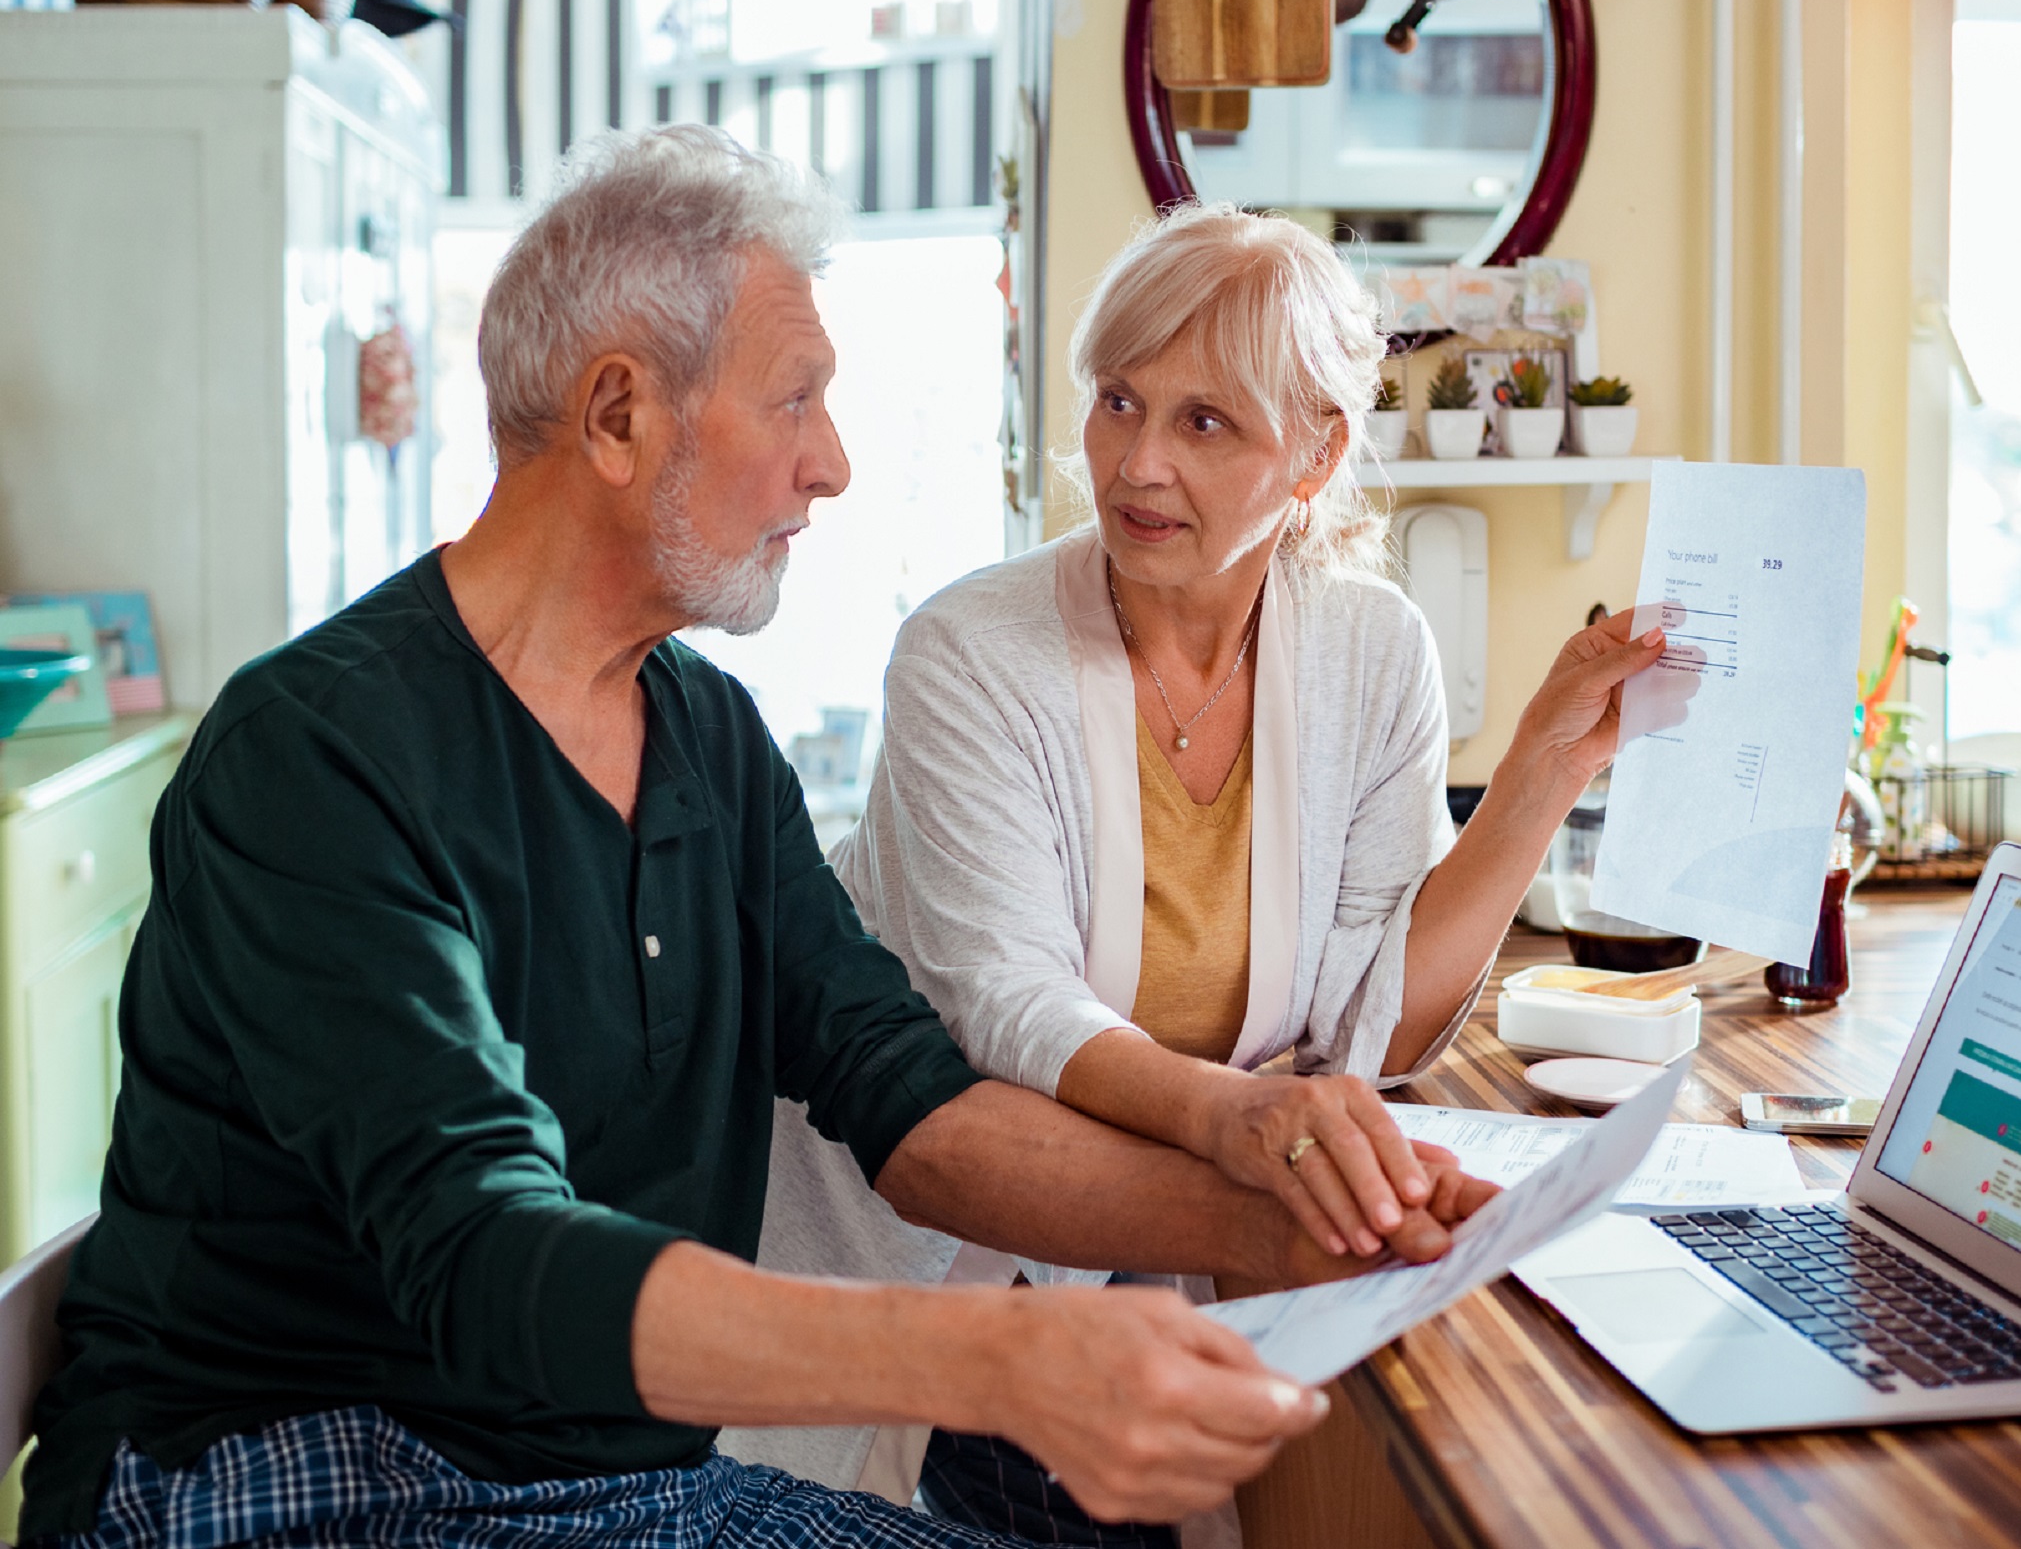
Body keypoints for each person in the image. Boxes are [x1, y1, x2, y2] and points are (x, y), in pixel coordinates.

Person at [22, 132, 1501, 1549]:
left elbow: (911, 1102)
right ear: (617, 418)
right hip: (288, 1475)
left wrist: (1295, 1204)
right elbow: (483, 1255)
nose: (834, 464)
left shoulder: (712, 742)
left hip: (606, 1483)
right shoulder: (319, 752)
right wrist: (991, 1354)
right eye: (794, 401)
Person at [730, 204, 1665, 1543]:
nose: (1136, 463)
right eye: (1119, 402)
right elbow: (1010, 1008)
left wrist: (1534, 780)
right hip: (935, 1286)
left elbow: (1368, 1019)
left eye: (1204, 422)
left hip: (1140, 1283)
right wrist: (1236, 1117)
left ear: (1316, 451)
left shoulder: (1367, 651)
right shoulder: (967, 655)